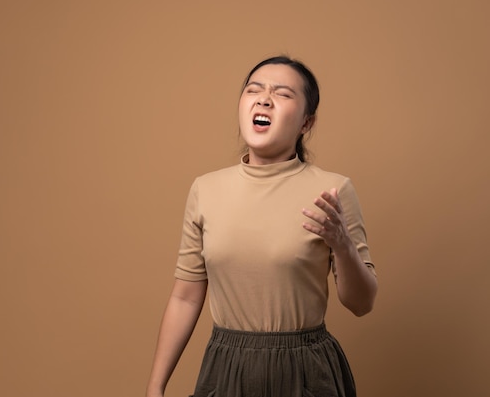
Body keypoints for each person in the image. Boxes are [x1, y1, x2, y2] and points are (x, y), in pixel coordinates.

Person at [146, 56, 378, 397]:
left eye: (283, 94)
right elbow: (184, 298)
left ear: (306, 123)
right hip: (227, 369)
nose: (264, 98)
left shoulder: (333, 191)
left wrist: (342, 244)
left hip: (306, 372)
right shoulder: (205, 189)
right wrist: (155, 387)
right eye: (254, 89)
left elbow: (362, 303)